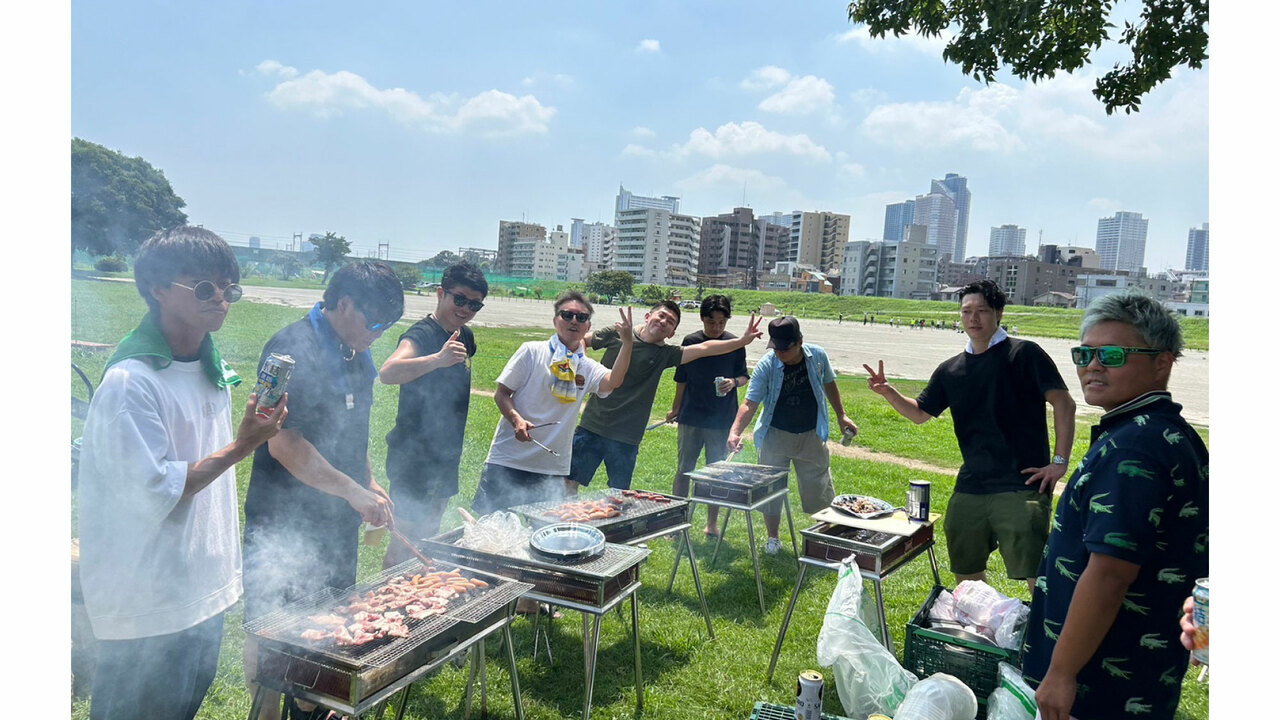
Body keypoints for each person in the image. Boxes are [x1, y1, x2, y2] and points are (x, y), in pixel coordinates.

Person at [77, 227, 286, 720]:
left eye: (228, 288)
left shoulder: (212, 371)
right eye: (204, 288)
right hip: (147, 602)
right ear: (156, 288)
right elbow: (152, 491)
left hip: (201, 593)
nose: (221, 300)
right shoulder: (133, 381)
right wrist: (242, 447)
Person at [1021, 292, 1209, 720]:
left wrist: (1062, 673)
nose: (1092, 365)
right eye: (1084, 353)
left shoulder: (1135, 447)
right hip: (1142, 668)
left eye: (1112, 354)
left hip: (1105, 682)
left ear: (1162, 362)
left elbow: (1109, 574)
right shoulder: (1166, 431)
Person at [241, 261, 403, 720]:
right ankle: (267, 711)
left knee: (328, 620)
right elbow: (284, 444)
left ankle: (310, 708)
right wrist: (354, 490)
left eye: (387, 327)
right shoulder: (292, 350)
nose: (378, 333)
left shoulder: (357, 351)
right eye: (375, 323)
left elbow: (354, 433)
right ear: (344, 303)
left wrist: (367, 480)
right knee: (272, 628)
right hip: (283, 520)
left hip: (335, 520)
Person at [862, 280, 1075, 593]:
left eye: (982, 311)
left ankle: (1045, 635)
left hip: (1022, 484)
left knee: (1036, 571)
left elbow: (1064, 403)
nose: (973, 318)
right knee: (965, 565)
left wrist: (1059, 463)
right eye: (966, 311)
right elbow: (920, 413)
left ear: (998, 314)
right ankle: (982, 628)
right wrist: (888, 391)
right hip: (972, 485)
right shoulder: (951, 370)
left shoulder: (1024, 354)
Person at [567, 299, 762, 492]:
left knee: (618, 495)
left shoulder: (666, 354)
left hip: (628, 436)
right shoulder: (619, 332)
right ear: (648, 316)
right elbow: (583, 340)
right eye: (661, 316)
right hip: (593, 425)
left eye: (670, 322)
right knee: (568, 484)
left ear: (672, 333)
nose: (663, 322)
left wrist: (742, 341)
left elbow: (705, 349)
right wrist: (582, 365)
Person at [473, 292, 633, 515]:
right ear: (556, 320)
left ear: (588, 327)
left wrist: (627, 344)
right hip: (509, 459)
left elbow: (613, 381)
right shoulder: (531, 351)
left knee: (544, 535)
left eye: (581, 317)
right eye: (567, 315)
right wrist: (516, 419)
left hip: (552, 467)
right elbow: (502, 393)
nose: (574, 321)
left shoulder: (586, 366)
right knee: (490, 529)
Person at [379, 262, 488, 568]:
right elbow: (388, 372)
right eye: (459, 299)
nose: (466, 308)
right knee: (406, 539)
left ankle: (411, 596)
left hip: (445, 455)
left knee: (429, 536)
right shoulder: (422, 334)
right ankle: (386, 605)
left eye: (474, 304)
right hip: (413, 456)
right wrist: (437, 360)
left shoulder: (465, 335)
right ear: (441, 293)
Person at [727, 317, 857, 555]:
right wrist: (735, 431)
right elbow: (750, 402)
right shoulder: (767, 365)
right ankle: (773, 539)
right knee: (771, 490)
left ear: (800, 342)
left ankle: (822, 540)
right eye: (775, 347)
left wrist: (842, 415)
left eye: (785, 348)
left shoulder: (817, 357)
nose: (779, 353)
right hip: (775, 435)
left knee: (818, 489)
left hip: (811, 433)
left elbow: (830, 384)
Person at [666, 295, 750, 538]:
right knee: (684, 469)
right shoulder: (691, 341)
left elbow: (744, 376)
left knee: (716, 473)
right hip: (692, 415)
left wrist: (733, 383)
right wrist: (675, 408)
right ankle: (676, 521)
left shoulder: (735, 343)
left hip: (721, 419)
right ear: (703, 318)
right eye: (712, 322)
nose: (717, 328)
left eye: (722, 323)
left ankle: (711, 523)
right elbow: (681, 379)